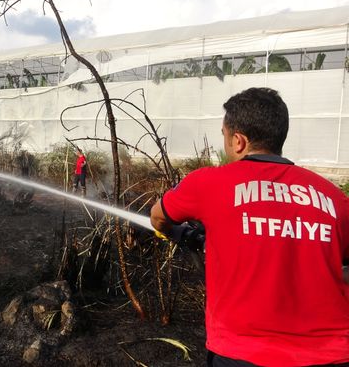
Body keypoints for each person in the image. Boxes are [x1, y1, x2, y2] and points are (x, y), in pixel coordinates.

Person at [150, 87, 349, 366]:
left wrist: (182, 235)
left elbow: (158, 216)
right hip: (333, 354)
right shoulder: (334, 197)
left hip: (244, 354)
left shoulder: (208, 183)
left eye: (224, 137)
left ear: (239, 141)